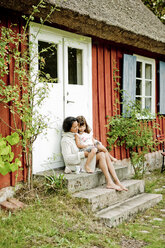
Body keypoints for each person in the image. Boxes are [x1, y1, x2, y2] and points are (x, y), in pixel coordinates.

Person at [61, 116, 128, 191]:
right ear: (68, 128)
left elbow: (90, 140)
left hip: (87, 158)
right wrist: (84, 154)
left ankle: (116, 181)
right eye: (75, 127)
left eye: (77, 126)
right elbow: (67, 159)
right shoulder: (66, 140)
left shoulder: (76, 134)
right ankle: (110, 182)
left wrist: (98, 144)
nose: (77, 128)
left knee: (104, 153)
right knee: (102, 154)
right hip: (78, 164)